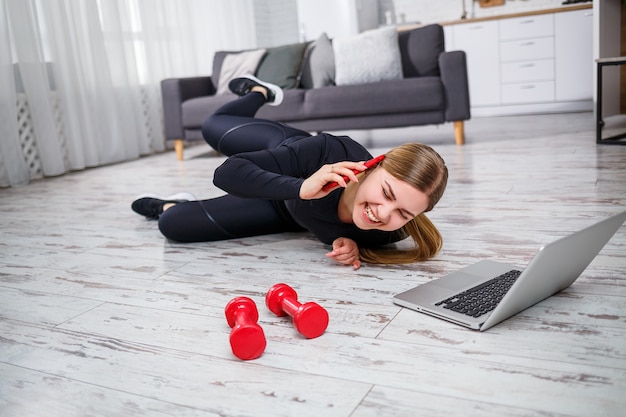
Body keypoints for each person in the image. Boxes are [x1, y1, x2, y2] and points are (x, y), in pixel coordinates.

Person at [132, 75, 448, 270]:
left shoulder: (393, 232)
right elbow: (226, 173)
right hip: (286, 157)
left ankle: (177, 202)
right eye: (387, 194)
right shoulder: (331, 151)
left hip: (285, 213)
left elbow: (359, 234)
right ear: (373, 165)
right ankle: (258, 92)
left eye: (403, 213)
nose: (383, 214)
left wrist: (356, 247)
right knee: (212, 127)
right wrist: (301, 187)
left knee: (172, 222)